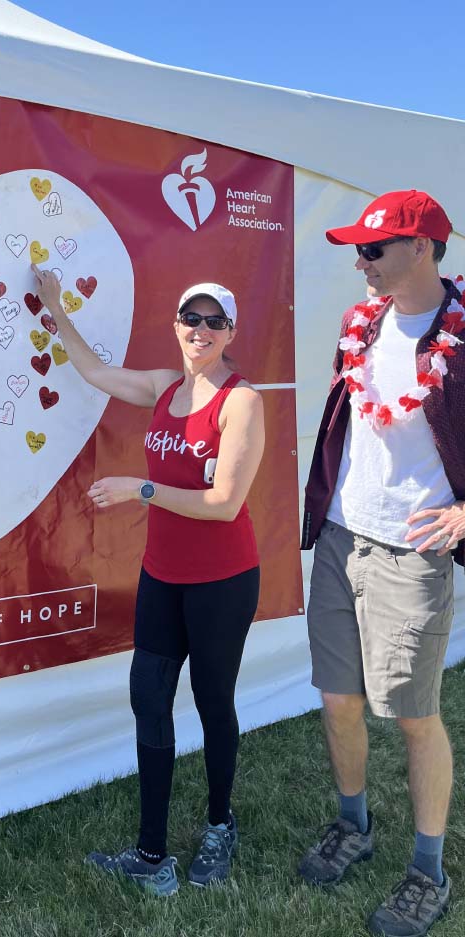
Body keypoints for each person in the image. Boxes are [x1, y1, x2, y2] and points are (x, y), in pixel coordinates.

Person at [32, 263, 265, 896]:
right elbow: (97, 373)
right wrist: (56, 307)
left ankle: (220, 824)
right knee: (148, 702)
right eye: (192, 318)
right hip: (163, 577)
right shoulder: (165, 386)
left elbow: (222, 502)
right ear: (177, 325)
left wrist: (143, 489)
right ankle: (151, 850)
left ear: (230, 332)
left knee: (214, 704)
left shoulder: (241, 400)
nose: (202, 330)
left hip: (222, 580)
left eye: (215, 322)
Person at [300, 190, 464, 937]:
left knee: (414, 715)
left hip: (413, 550)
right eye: (355, 250)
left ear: (423, 249)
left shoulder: (461, 336)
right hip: (342, 537)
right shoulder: (358, 325)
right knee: (339, 700)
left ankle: (428, 870)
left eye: (372, 249)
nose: (358, 262)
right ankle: (353, 824)